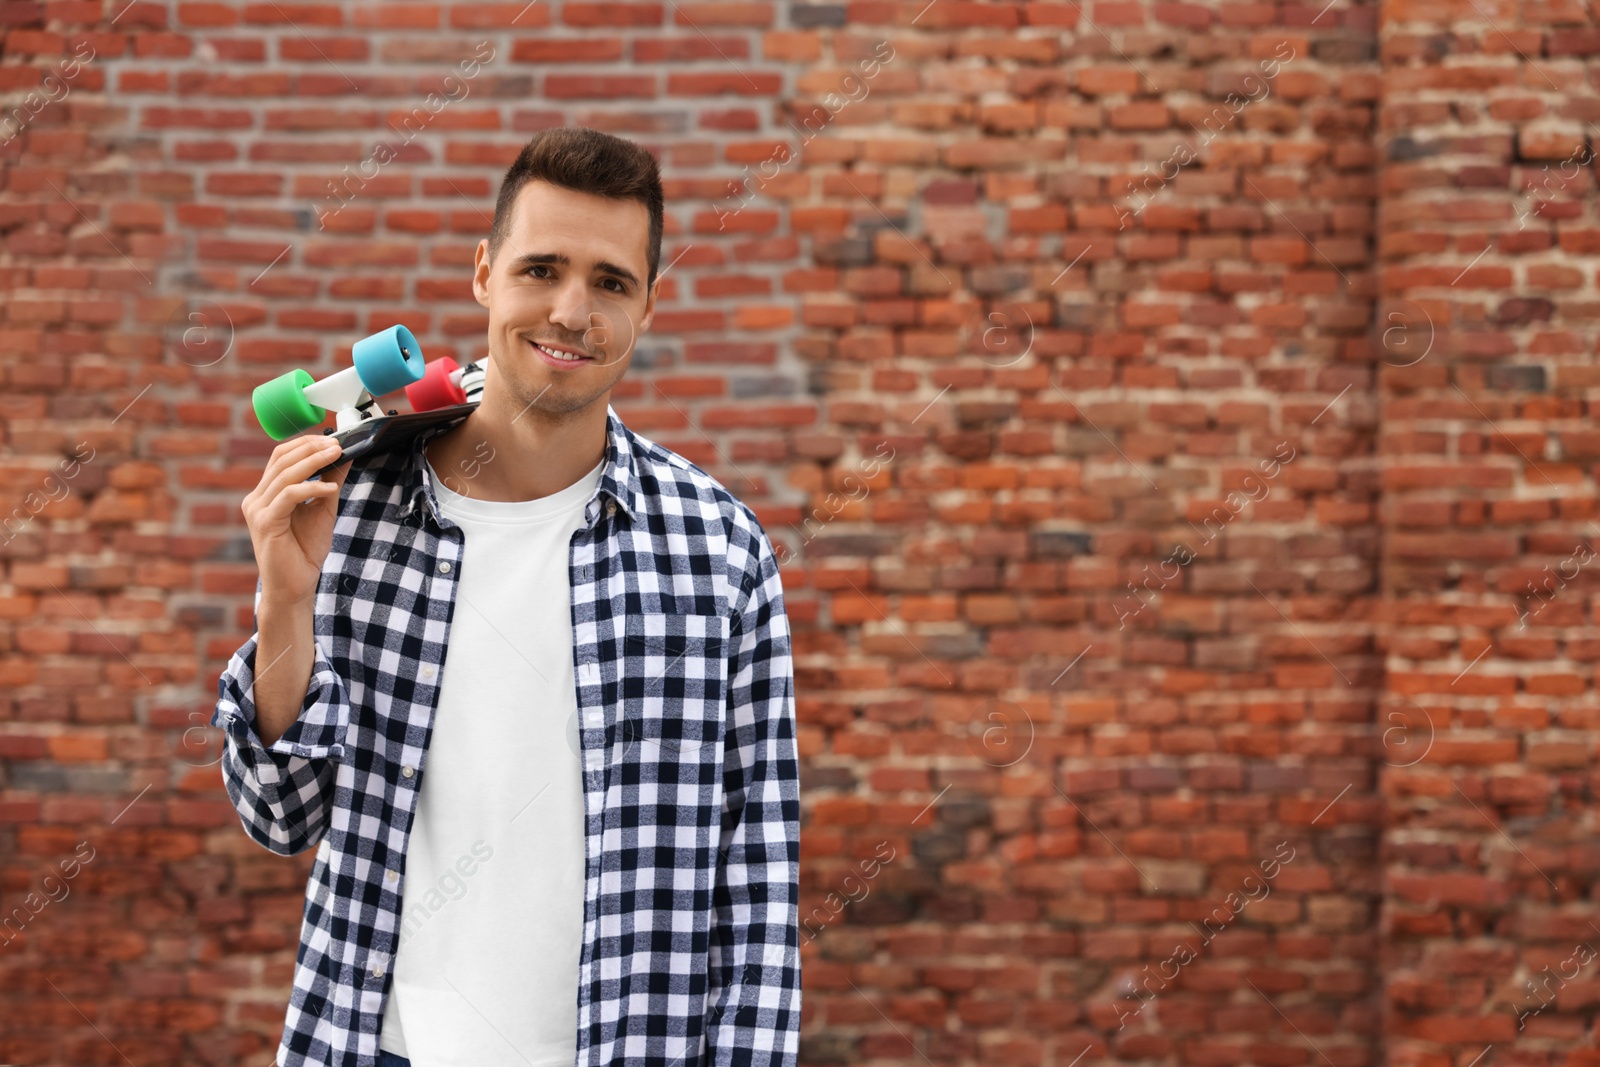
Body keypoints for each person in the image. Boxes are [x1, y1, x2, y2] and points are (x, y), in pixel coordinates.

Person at [212, 126, 801, 1067]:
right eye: (541, 269)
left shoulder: (719, 551)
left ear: (649, 306)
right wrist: (284, 604)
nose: (571, 311)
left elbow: (758, 873)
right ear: (485, 272)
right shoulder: (353, 510)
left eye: (610, 281)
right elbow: (281, 812)